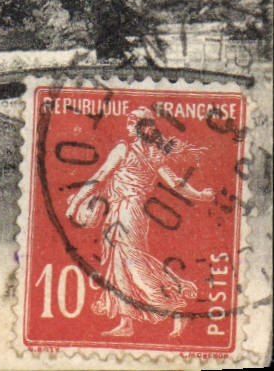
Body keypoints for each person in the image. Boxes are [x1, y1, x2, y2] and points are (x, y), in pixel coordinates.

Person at [66, 107, 215, 337]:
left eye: (131, 122)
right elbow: (176, 183)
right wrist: (201, 195)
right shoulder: (154, 155)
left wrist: (75, 204)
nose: (129, 126)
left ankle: (175, 308)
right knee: (119, 267)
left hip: (128, 212)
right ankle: (126, 322)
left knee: (136, 267)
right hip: (122, 212)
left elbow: (99, 177)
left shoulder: (127, 150)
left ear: (138, 127)